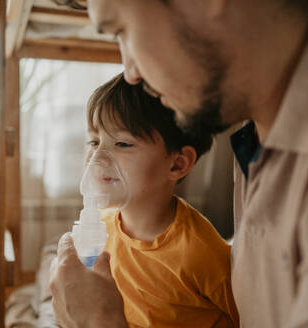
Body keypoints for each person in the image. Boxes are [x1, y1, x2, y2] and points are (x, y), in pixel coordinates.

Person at [50, 0, 308, 327]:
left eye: (122, 29)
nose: (132, 73)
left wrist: (99, 322)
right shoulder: (255, 140)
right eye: (94, 141)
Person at [58, 72, 239, 327]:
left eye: (122, 143)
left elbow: (249, 317)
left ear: (177, 164)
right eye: (94, 141)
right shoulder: (103, 227)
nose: (98, 158)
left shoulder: (201, 254)